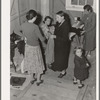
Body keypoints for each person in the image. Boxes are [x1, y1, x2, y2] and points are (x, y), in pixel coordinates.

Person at [14, 10, 46, 86]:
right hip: (35, 47)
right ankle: (38, 80)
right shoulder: (35, 27)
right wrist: (45, 38)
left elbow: (15, 30)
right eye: (36, 17)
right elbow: (42, 39)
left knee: (30, 62)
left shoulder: (23, 24)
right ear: (34, 17)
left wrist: (24, 36)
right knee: (38, 63)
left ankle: (32, 78)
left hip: (28, 47)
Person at [50, 11, 71, 78]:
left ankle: (63, 71)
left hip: (64, 46)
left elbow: (65, 39)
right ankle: (57, 67)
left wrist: (55, 36)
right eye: (56, 17)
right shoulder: (59, 23)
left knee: (63, 59)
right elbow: (57, 29)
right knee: (58, 57)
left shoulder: (66, 25)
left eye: (58, 17)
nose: (56, 19)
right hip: (58, 43)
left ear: (63, 17)